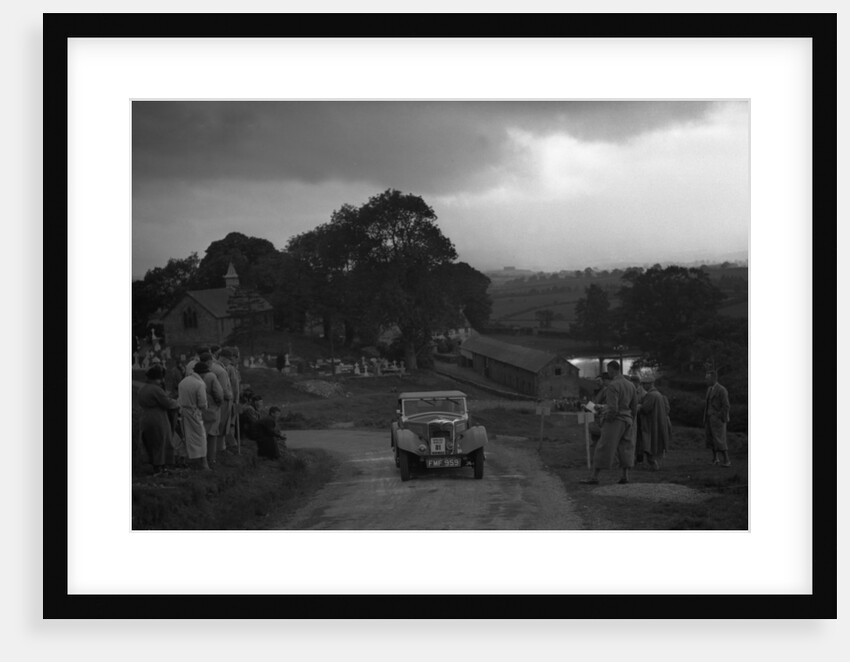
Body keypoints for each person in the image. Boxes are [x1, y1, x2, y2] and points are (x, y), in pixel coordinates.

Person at [581, 360, 637, 485]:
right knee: (626, 447)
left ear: (612, 370)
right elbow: (634, 407)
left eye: (609, 370)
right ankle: (625, 476)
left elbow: (612, 408)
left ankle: (594, 477)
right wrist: (631, 419)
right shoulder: (631, 385)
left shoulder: (613, 385)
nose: (608, 373)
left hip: (615, 420)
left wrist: (606, 420)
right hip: (628, 419)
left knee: (603, 447)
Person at [138, 365, 179, 474]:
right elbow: (167, 403)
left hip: (145, 416)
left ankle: (153, 464)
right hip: (158, 417)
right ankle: (160, 466)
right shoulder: (156, 389)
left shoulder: (143, 388)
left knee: (151, 441)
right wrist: (177, 403)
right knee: (161, 441)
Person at [177, 361, 210, 470]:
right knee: (200, 437)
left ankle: (182, 459)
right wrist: (203, 409)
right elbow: (202, 403)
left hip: (183, 411)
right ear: (202, 373)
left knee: (185, 436)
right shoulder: (199, 384)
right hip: (194, 412)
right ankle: (203, 463)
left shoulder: (183, 382)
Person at [637, 378, 670, 470]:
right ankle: (653, 464)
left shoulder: (651, 395)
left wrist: (639, 406)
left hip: (651, 424)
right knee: (653, 445)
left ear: (650, 384)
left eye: (644, 384)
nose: (643, 386)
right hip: (656, 422)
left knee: (649, 445)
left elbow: (646, 409)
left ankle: (653, 465)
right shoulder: (658, 394)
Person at [703, 369, 732, 467]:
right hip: (709, 418)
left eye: (707, 379)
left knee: (720, 440)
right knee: (711, 439)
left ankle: (727, 461)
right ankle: (715, 459)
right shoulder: (709, 389)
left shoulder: (721, 390)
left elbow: (726, 405)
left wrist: (720, 417)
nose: (705, 381)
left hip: (718, 420)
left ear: (713, 378)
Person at [200, 357, 224, 466]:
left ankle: (201, 458)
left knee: (202, 433)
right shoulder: (211, 376)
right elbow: (218, 393)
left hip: (198, 408)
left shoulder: (192, 375)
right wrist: (219, 403)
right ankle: (211, 459)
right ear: (209, 362)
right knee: (212, 433)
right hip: (212, 407)